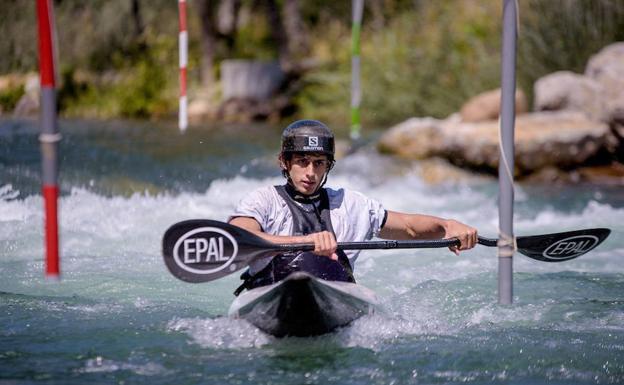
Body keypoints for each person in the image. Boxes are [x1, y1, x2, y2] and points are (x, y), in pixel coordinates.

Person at [229, 119, 477, 295]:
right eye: (302, 161)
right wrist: (304, 243)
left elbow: (409, 228)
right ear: (284, 162)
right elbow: (238, 236)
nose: (310, 172)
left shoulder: (351, 204)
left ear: (328, 166)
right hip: (270, 292)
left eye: (319, 163)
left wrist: (447, 226)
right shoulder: (261, 200)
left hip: (334, 293)